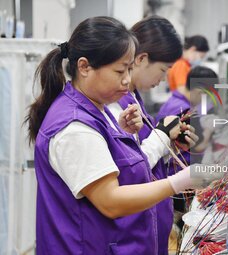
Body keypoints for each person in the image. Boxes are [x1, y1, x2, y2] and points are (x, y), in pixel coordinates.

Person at [25, 16, 210, 255]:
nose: (126, 80)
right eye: (120, 70)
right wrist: (178, 182)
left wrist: (122, 135)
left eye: (130, 69)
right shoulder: (73, 127)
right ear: (84, 67)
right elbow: (110, 201)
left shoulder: (98, 111)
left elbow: (112, 167)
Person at [108, 15, 200, 255]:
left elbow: (144, 156)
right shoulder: (113, 105)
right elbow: (129, 170)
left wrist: (172, 145)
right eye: (162, 70)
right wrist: (161, 135)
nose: (161, 81)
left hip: (148, 227)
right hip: (129, 233)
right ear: (141, 59)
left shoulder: (133, 99)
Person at [157, 66, 219, 229]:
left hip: (173, 177)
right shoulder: (182, 110)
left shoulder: (176, 102)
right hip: (175, 179)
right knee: (180, 226)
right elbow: (196, 146)